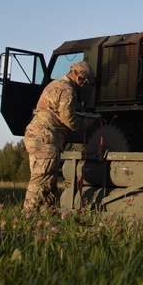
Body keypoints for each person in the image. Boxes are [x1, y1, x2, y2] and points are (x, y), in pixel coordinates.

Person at [22, 61, 96, 213]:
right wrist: (87, 123)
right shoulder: (67, 91)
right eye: (85, 83)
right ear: (79, 77)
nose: (84, 87)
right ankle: (28, 215)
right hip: (45, 138)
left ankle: (45, 213)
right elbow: (68, 119)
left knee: (48, 180)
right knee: (41, 178)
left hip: (39, 136)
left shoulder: (54, 85)